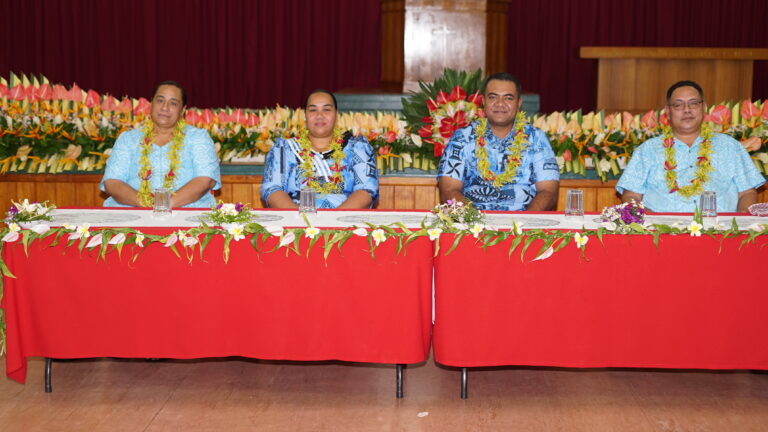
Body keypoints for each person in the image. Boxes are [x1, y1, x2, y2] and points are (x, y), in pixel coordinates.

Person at [617, 80, 764, 212]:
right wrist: (649, 220)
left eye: (693, 103)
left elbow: (747, 192)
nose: (687, 109)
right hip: (660, 231)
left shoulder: (730, 146)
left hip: (721, 230)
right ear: (668, 111)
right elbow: (631, 195)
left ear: (703, 107)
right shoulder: (647, 150)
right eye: (678, 104)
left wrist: (741, 222)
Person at [437, 73, 559, 211]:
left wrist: (524, 222)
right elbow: (449, 189)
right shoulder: (462, 138)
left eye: (508, 98)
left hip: (524, 220)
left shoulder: (536, 138)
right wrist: (474, 221)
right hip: (472, 220)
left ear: (518, 103)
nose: (500, 104)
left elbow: (548, 191)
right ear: (484, 101)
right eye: (493, 97)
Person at [101, 81, 221, 208]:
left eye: (173, 103)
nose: (165, 107)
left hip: (187, 214)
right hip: (133, 212)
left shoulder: (198, 138)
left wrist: (164, 204)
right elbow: (112, 182)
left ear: (183, 110)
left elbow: (206, 179)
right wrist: (145, 203)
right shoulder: (128, 139)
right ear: (151, 104)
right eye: (160, 100)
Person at [261, 90, 378, 208]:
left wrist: (335, 218)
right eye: (313, 110)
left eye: (326, 110)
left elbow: (366, 189)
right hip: (295, 217)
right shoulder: (285, 149)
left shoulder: (356, 147)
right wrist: (302, 218)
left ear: (336, 115)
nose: (319, 116)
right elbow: (272, 188)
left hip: (345, 218)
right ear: (305, 115)